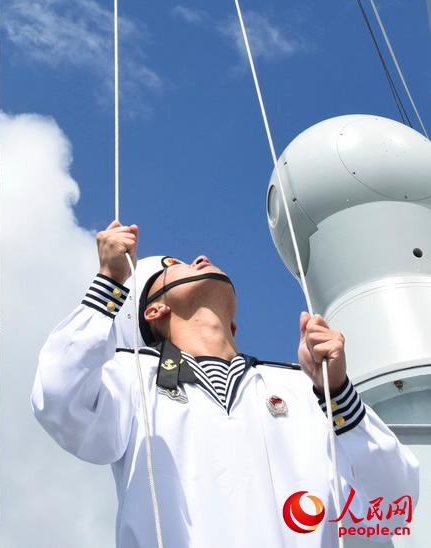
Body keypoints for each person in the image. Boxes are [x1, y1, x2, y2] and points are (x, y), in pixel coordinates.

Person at [32, 222, 419, 547]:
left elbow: (394, 499)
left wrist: (336, 393)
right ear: (153, 310)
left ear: (234, 324)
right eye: (174, 266)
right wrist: (110, 282)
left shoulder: (307, 388)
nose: (200, 258)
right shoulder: (130, 378)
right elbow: (59, 397)